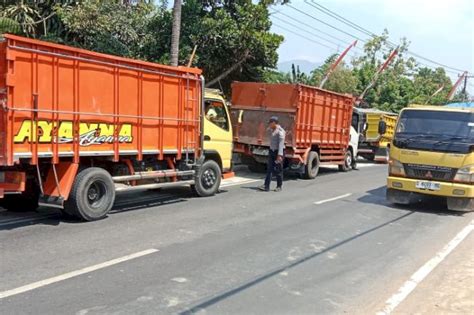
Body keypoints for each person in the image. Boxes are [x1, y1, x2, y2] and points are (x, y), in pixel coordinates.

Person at [259, 116, 285, 192]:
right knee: (269, 169)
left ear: (274, 122)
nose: (269, 125)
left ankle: (279, 186)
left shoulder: (280, 132)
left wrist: (279, 155)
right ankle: (266, 186)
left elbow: (281, 144)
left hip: (278, 152)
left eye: (270, 123)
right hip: (272, 151)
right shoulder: (272, 130)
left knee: (278, 169)